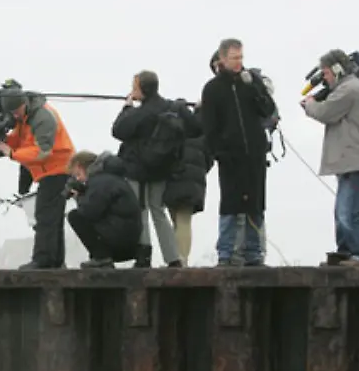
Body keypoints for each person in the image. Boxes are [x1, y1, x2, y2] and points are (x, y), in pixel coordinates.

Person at [302, 49, 359, 267]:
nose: (325, 79)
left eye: (326, 74)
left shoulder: (349, 89)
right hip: (353, 162)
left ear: (337, 70)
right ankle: (346, 254)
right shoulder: (349, 87)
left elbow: (325, 112)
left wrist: (310, 104)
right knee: (341, 212)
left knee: (348, 213)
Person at [201, 38, 277, 267]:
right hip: (230, 155)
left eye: (241, 57)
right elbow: (209, 126)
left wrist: (255, 88)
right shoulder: (212, 89)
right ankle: (226, 253)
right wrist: (218, 152)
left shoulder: (252, 81)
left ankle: (254, 252)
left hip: (254, 153)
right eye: (234, 58)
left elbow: (267, 109)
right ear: (222, 60)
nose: (239, 63)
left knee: (255, 203)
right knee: (231, 204)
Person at [112, 71, 197, 269]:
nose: (133, 91)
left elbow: (118, 131)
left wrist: (126, 107)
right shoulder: (170, 107)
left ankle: (144, 255)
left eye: (135, 88)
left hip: (137, 169)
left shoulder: (139, 113)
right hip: (161, 169)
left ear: (143, 89)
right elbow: (195, 128)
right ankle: (173, 257)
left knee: (140, 210)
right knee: (158, 210)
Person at [0, 89, 75, 270]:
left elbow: (42, 151)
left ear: (24, 104)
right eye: (11, 113)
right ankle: (56, 260)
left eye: (16, 111)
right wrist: (3, 144)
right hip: (51, 171)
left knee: (44, 215)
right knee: (53, 217)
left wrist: (12, 153)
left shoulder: (43, 117)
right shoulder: (26, 118)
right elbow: (22, 140)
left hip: (58, 169)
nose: (14, 116)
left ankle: (43, 259)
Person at [66, 151, 142, 268]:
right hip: (128, 238)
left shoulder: (99, 182)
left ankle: (102, 257)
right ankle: (100, 256)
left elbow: (89, 212)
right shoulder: (109, 178)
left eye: (78, 175)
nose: (79, 180)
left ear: (80, 166)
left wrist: (79, 196)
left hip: (120, 240)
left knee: (75, 216)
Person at [163, 105, 213, 266]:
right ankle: (182, 258)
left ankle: (177, 258)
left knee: (175, 221)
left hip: (171, 181)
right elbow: (209, 159)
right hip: (194, 184)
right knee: (184, 220)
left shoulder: (171, 136)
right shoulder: (203, 137)